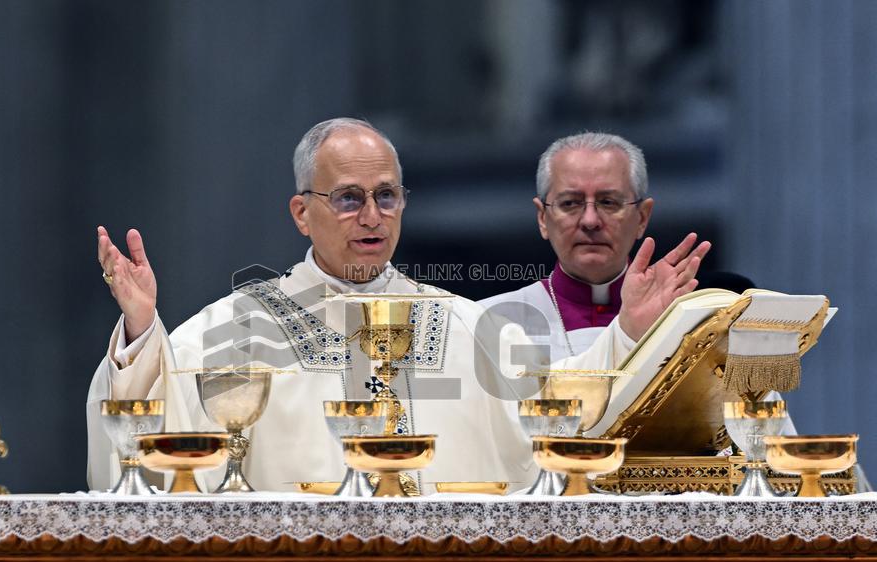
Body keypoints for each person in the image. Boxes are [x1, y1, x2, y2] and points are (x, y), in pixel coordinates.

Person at [86, 119, 706, 493]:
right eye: (350, 198)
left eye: (387, 196)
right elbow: (150, 433)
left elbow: (563, 411)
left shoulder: (468, 326)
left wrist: (626, 332)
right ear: (302, 212)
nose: (373, 217)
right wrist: (142, 331)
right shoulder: (240, 326)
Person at [480, 132, 711, 362]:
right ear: (543, 218)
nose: (590, 221)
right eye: (570, 203)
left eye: (608, 202)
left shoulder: (692, 326)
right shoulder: (490, 324)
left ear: (642, 217)